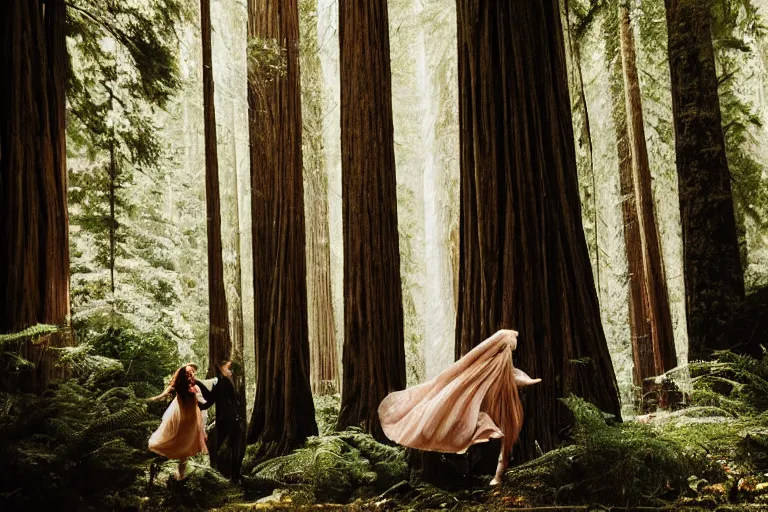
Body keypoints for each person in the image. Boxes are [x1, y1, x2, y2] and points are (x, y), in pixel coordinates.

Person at [378, 329, 541, 486]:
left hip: (493, 411)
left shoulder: (500, 367)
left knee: (501, 436)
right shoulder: (484, 368)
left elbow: (514, 376)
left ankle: (497, 475)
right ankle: (486, 473)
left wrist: (528, 380)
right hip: (480, 414)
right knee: (483, 430)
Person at [148, 364, 208, 480]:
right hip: (184, 419)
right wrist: (148, 400)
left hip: (190, 420)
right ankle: (179, 476)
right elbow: (162, 396)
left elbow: (202, 402)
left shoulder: (193, 387)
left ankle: (180, 476)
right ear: (184, 375)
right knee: (180, 447)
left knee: (183, 450)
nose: (192, 375)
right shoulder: (180, 387)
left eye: (193, 373)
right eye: (190, 373)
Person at [195, 360, 242, 479]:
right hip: (225, 419)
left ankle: (233, 475)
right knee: (223, 445)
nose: (230, 371)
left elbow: (211, 400)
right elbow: (210, 399)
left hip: (231, 419)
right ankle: (221, 473)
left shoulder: (229, 381)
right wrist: (194, 404)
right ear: (221, 369)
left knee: (233, 446)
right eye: (228, 368)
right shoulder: (220, 383)